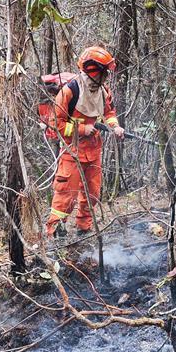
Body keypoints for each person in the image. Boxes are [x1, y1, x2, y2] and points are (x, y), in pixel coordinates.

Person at [45, 46, 125, 237]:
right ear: (94, 70)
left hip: (94, 151)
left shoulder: (103, 90)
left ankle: (84, 230)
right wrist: (81, 129)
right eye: (104, 72)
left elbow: (109, 112)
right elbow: (55, 124)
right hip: (72, 152)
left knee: (92, 194)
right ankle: (55, 233)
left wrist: (115, 127)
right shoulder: (69, 92)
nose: (106, 76)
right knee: (66, 196)